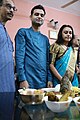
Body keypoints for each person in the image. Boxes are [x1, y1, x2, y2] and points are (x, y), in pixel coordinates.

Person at [15, 4, 52, 89]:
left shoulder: (45, 39)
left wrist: (49, 79)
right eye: (36, 14)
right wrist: (22, 79)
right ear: (30, 17)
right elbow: (19, 57)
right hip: (28, 81)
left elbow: (48, 61)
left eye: (42, 15)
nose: (39, 17)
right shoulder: (23, 32)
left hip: (43, 81)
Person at [0, 0, 17, 119]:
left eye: (13, 8)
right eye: (8, 6)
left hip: (9, 87)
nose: (11, 10)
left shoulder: (5, 32)